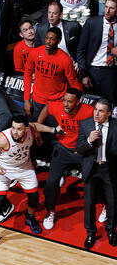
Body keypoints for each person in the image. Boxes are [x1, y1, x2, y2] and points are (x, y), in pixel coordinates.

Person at [0, 116, 63, 249]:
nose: (15, 131)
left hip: (24, 167)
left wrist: (54, 130)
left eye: (19, 129)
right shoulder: (3, 138)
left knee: (34, 195)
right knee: (0, 199)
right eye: (13, 128)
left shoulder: (30, 129)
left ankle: (30, 217)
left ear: (25, 129)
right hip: (4, 169)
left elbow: (37, 126)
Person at [37, 88, 93, 230]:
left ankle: (105, 206)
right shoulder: (57, 106)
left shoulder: (89, 111)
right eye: (64, 100)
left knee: (93, 181)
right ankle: (51, 211)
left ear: (78, 102)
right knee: (51, 182)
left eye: (70, 101)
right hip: (62, 150)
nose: (66, 104)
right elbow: (47, 108)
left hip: (83, 152)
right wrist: (38, 128)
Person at [76, 98, 117, 249]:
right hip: (91, 169)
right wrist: (89, 140)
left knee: (112, 203)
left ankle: (111, 230)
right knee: (89, 203)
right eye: (95, 109)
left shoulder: (115, 126)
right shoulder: (85, 124)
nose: (96, 114)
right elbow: (79, 149)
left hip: (109, 169)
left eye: (101, 111)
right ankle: (91, 232)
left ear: (108, 113)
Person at [23, 27, 81, 120]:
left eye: (52, 39)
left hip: (56, 102)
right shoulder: (35, 53)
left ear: (58, 41)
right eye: (47, 38)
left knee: (52, 132)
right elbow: (27, 75)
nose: (48, 41)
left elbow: (73, 82)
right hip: (37, 100)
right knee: (35, 130)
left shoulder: (65, 59)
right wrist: (26, 99)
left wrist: (76, 103)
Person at [77, 0, 117, 103]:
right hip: (92, 71)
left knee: (108, 104)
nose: (107, 11)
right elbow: (81, 50)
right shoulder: (92, 23)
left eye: (111, 8)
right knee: (89, 104)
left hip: (110, 72)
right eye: (106, 7)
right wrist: (84, 74)